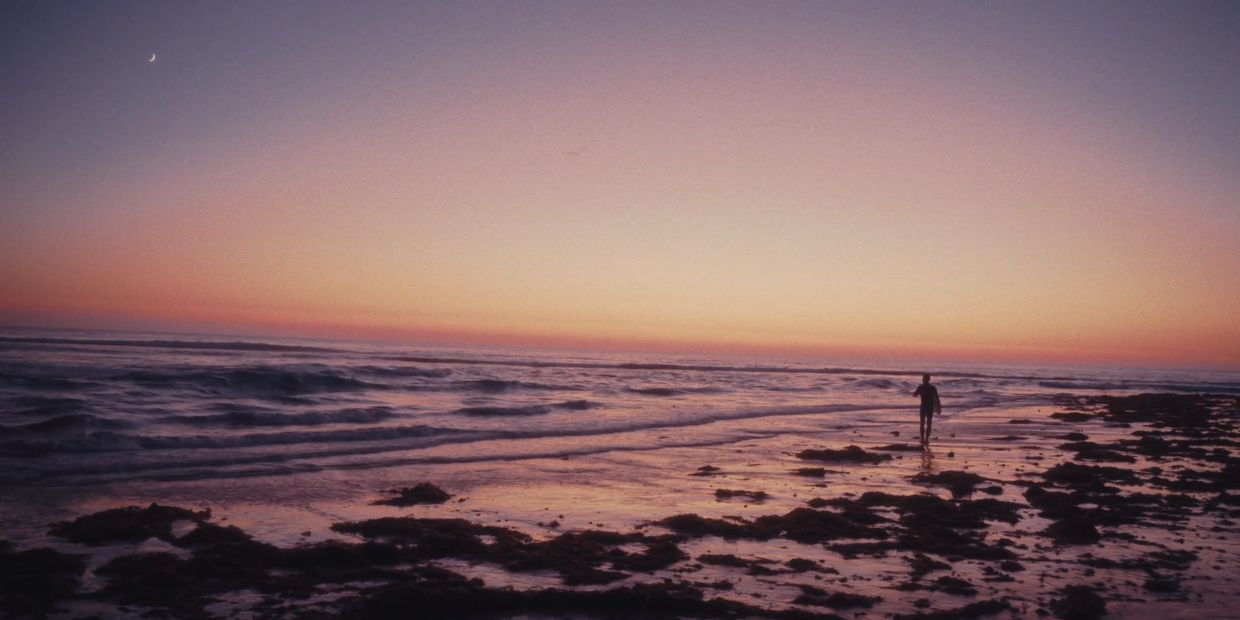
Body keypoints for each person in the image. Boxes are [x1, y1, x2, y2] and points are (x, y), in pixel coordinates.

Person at [913, 374, 941, 447]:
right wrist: (938, 407)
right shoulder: (932, 387)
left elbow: (914, 395)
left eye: (923, 378)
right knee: (928, 423)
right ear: (929, 379)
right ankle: (926, 439)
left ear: (924, 379)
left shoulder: (921, 387)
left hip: (923, 407)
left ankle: (923, 439)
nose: (923, 379)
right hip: (929, 407)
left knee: (922, 423)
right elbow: (937, 398)